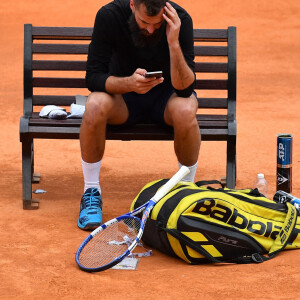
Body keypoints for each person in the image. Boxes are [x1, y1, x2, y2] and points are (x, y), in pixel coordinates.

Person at [78, 0, 201, 230]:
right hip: (123, 98)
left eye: (157, 24)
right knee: (94, 105)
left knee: (186, 110)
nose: (151, 29)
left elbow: (184, 89)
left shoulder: (180, 19)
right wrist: (129, 84)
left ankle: (186, 193)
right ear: (133, 5)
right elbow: (93, 78)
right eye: (145, 22)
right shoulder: (109, 15)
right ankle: (91, 191)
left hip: (167, 100)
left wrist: (173, 42)